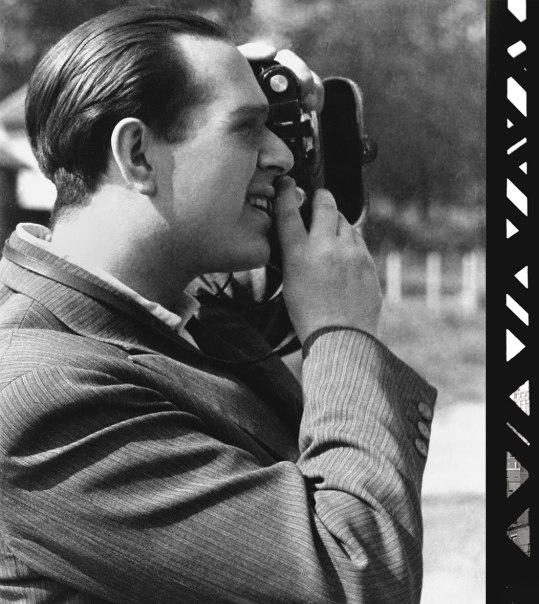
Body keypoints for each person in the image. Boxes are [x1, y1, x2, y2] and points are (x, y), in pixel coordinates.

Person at [0, 6, 436, 603]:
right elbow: (355, 576)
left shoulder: (161, 306)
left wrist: (271, 104)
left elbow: (290, 279)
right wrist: (341, 333)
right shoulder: (40, 396)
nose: (281, 156)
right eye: (246, 129)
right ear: (137, 155)